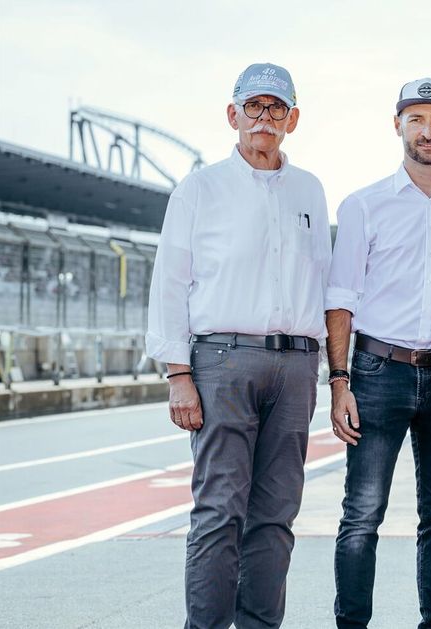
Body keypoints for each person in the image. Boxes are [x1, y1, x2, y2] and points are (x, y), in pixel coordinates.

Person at [146, 62, 329, 629]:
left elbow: (321, 281)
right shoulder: (200, 189)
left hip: (297, 364)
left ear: (293, 119)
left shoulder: (310, 190)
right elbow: (170, 280)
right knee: (220, 513)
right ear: (233, 114)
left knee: (275, 517)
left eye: (277, 108)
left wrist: (330, 370)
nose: (264, 119)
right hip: (222, 361)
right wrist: (179, 373)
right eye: (254, 107)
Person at [327, 77, 431, 629]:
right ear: (397, 124)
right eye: (417, 120)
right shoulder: (363, 206)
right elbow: (341, 299)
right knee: (362, 516)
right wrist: (338, 382)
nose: (428, 131)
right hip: (379, 372)